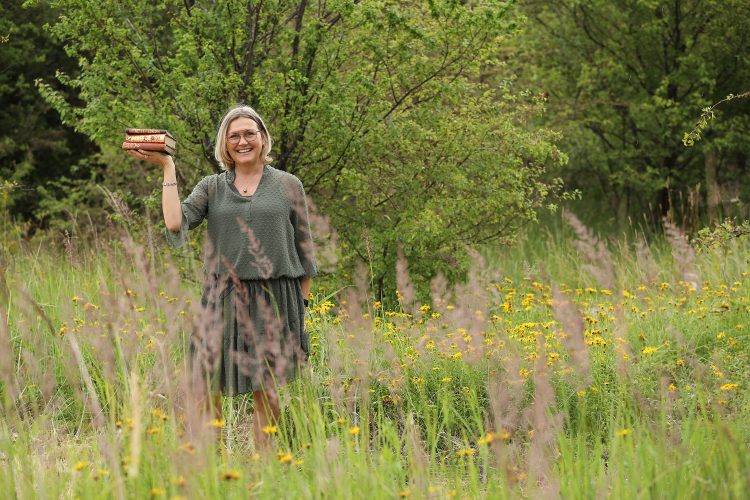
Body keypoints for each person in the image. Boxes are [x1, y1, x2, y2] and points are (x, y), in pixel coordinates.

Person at [126, 105, 317, 450]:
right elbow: (174, 222)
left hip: (276, 296)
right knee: (207, 381)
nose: (242, 141)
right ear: (224, 144)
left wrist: (302, 308)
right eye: (234, 136)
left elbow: (306, 251)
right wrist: (168, 167)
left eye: (249, 133)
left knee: (267, 387)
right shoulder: (212, 187)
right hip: (222, 296)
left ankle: (265, 468)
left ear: (262, 138)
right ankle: (211, 468)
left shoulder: (289, 185)